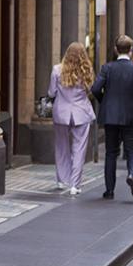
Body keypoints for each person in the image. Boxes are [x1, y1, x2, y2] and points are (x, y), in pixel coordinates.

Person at [91, 35, 133, 201]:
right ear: (131, 50)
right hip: (132, 116)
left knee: (111, 153)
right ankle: (132, 174)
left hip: (111, 116)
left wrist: (105, 101)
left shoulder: (107, 68)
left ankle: (109, 191)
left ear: (116, 50)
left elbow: (95, 89)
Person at [47, 42, 95, 196]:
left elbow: (51, 92)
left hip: (61, 112)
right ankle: (75, 185)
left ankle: (62, 180)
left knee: (61, 146)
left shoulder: (57, 70)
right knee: (79, 149)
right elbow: (90, 90)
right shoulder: (86, 70)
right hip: (81, 112)